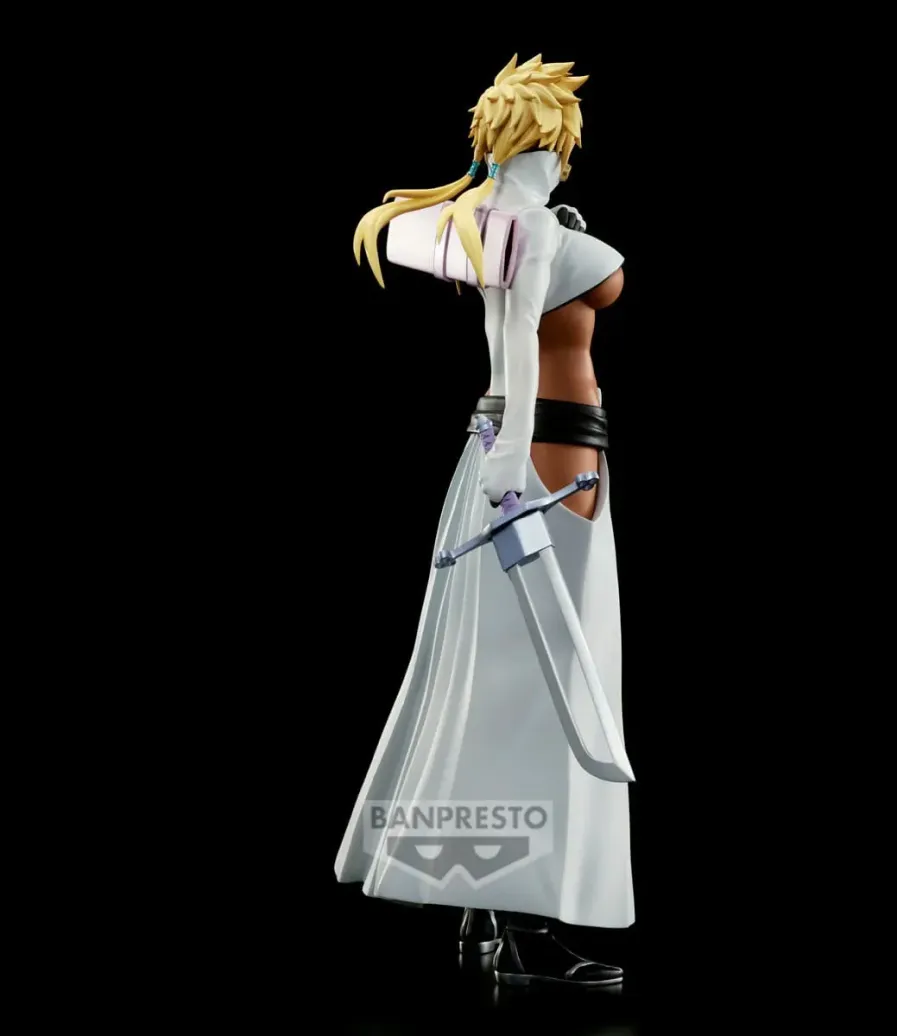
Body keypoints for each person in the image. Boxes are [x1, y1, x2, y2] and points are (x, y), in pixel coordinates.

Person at [337, 54, 630, 988]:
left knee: (495, 674)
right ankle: (523, 922)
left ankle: (483, 913)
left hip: (519, 449)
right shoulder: (528, 225)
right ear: (554, 137)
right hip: (547, 454)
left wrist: (505, 462)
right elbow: (519, 344)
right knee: (538, 687)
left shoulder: (490, 216)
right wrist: (515, 475)